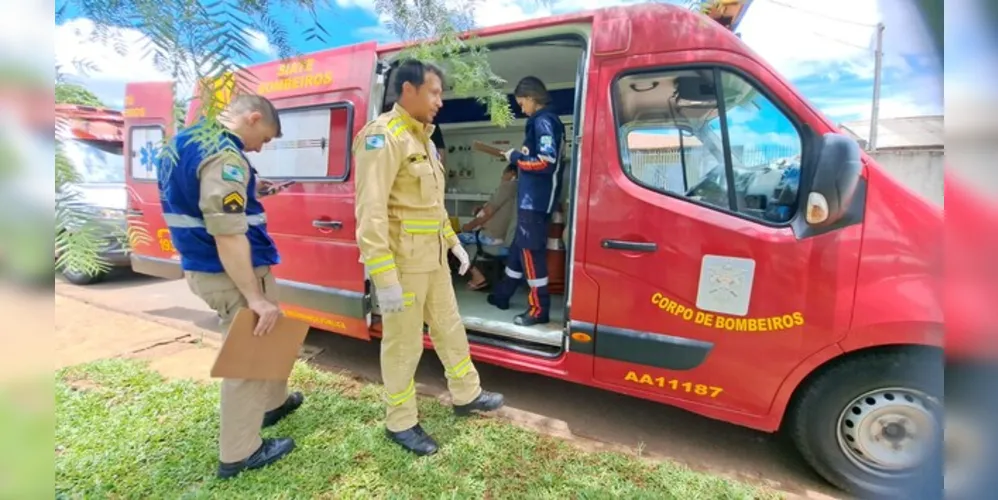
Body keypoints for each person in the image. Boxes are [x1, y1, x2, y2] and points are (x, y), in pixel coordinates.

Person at [352, 59, 505, 456]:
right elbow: (370, 214)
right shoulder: (383, 137)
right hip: (402, 266)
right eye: (434, 92)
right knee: (403, 345)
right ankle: (400, 422)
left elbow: (431, 208)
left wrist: (454, 244)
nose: (440, 101)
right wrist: (383, 279)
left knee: (451, 327)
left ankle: (466, 394)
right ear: (408, 90)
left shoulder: (423, 139)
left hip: (434, 261)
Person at [157, 94, 301, 479]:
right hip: (231, 273)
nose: (260, 148)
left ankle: (274, 404)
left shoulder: (185, 141)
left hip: (204, 266)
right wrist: (255, 297)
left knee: (267, 340)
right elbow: (228, 233)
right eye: (264, 139)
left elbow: (199, 201)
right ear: (252, 119)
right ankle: (240, 452)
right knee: (248, 358)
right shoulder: (225, 155)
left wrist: (255, 189)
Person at [487, 76, 565, 326]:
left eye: (522, 103)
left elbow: (545, 161)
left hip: (536, 201)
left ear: (532, 98)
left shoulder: (544, 121)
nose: (522, 109)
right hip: (532, 199)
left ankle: (539, 309)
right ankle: (503, 294)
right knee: (519, 249)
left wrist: (515, 156)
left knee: (531, 253)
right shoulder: (543, 121)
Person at [457, 163, 518, 290]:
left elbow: (487, 213)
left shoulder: (508, 186)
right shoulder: (523, 189)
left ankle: (477, 277)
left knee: (454, 240)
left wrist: (468, 226)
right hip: (510, 239)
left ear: (511, 173)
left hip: (493, 238)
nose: (502, 177)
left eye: (503, 174)